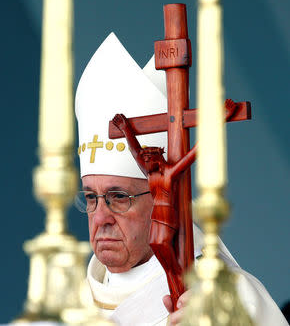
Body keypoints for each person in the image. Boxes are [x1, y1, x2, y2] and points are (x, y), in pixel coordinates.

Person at [74, 32, 288, 325]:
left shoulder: (226, 299)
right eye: (90, 198)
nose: (100, 218)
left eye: (119, 197)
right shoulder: (68, 305)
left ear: (166, 197)